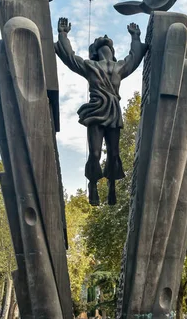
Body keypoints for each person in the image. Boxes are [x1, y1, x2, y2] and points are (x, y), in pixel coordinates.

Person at [55, 17, 147, 206]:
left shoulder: (119, 67)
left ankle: (112, 184)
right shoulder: (90, 66)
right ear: (95, 51)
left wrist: (136, 37)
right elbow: (70, 57)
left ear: (112, 51)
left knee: (114, 153)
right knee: (95, 153)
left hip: (113, 111)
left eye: (108, 43)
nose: (105, 39)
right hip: (96, 111)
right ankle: (93, 184)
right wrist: (63, 34)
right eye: (101, 42)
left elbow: (134, 57)